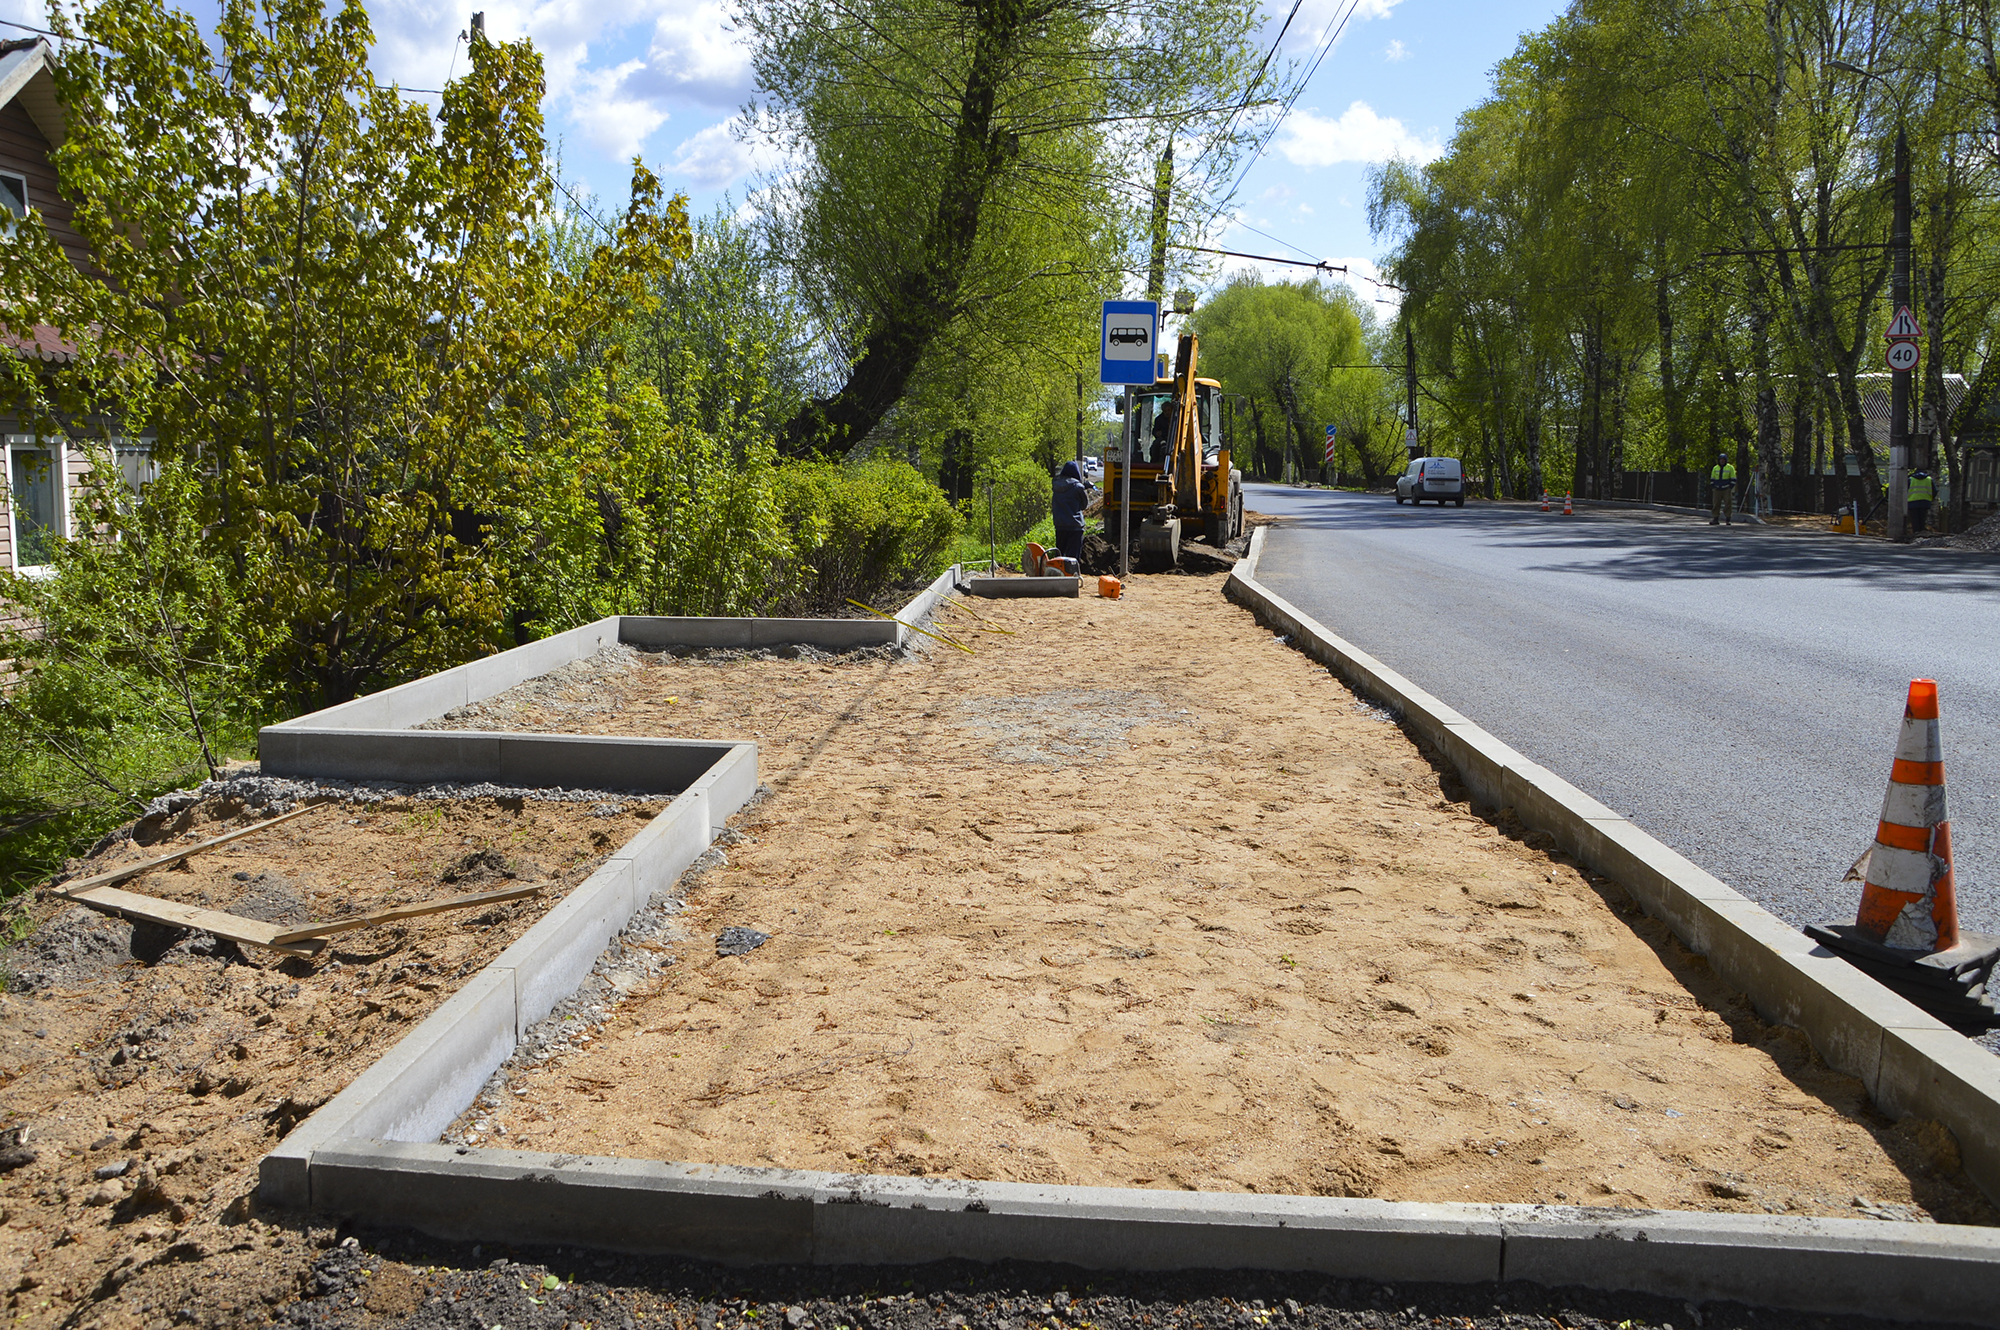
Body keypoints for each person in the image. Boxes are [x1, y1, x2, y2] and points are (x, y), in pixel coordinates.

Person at [1052, 459, 1089, 563]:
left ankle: (1057, 576)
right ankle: (1072, 577)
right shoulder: (1078, 487)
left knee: (1059, 554)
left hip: (1060, 525)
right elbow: (1084, 505)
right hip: (1075, 526)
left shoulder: (1055, 485)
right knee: (1073, 559)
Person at [1709, 451, 1737, 525]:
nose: (1722, 461)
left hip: (1726, 489)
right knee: (1716, 504)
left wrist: (1730, 487)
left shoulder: (1730, 467)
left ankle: (1728, 519)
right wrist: (1713, 487)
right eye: (1720, 459)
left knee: (1728, 504)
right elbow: (1712, 478)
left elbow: (1733, 478)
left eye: (1723, 459)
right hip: (1717, 489)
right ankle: (1715, 519)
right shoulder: (1715, 468)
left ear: (1726, 460)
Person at [1908, 468, 1935, 533]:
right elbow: (1935, 491)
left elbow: (1904, 490)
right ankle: (1922, 533)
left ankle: (1916, 533)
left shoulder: (1911, 479)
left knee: (1915, 520)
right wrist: (1930, 498)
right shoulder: (1929, 479)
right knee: (1923, 519)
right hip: (1925, 502)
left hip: (1913, 502)